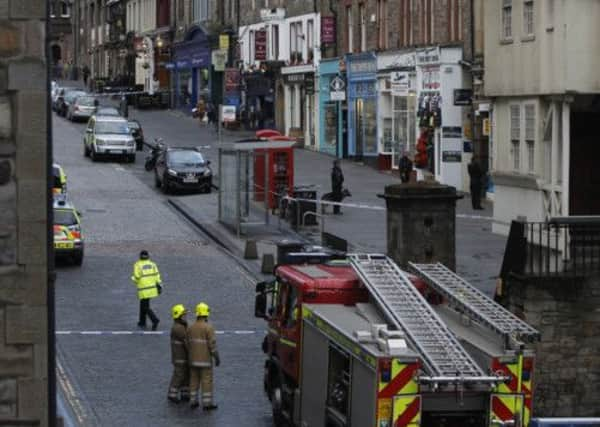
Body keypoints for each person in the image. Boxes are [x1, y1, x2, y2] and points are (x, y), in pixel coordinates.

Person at [187, 302, 220, 410]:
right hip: (205, 361)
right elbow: (212, 346)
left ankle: (193, 401)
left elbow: (187, 343)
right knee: (206, 382)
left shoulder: (190, 327)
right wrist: (216, 358)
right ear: (206, 314)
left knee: (193, 381)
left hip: (192, 361)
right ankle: (207, 404)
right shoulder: (208, 328)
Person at [131, 250, 162, 330]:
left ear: (140, 256)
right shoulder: (153, 264)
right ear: (148, 256)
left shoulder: (137, 265)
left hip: (143, 289)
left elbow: (137, 277)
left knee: (145, 306)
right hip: (152, 289)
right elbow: (157, 276)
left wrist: (133, 279)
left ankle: (155, 320)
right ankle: (142, 321)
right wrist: (160, 285)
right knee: (143, 304)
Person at [168, 304, 190, 403]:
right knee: (179, 375)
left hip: (182, 357)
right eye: (183, 315)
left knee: (185, 376)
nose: (185, 317)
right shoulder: (179, 328)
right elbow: (187, 342)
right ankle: (172, 395)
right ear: (178, 316)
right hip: (180, 357)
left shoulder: (181, 326)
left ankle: (185, 394)